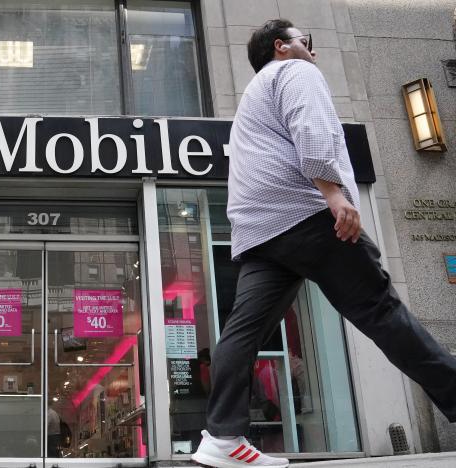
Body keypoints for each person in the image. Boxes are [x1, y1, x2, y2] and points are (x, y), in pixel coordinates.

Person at [191, 19, 456, 468]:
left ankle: (222, 436)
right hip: (308, 215)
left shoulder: (252, 98)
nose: (312, 51)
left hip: (259, 231)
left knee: (243, 330)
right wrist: (332, 193)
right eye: (304, 42)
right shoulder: (294, 72)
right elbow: (310, 131)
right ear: (282, 46)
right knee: (381, 311)